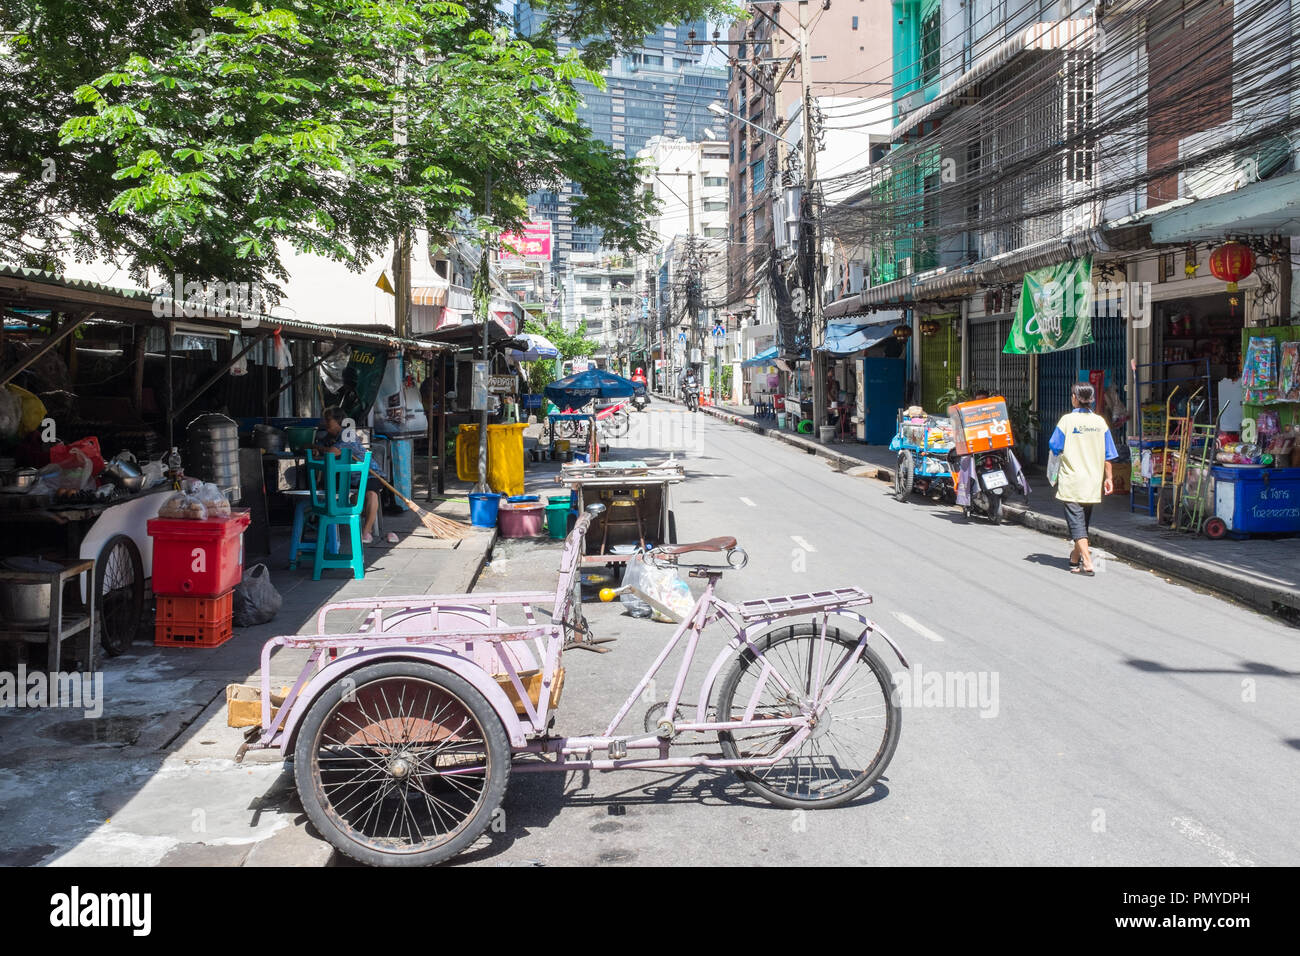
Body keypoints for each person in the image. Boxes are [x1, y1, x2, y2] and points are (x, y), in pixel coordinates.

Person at [1049, 383, 1117, 576]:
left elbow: (1054, 445)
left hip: (1072, 480)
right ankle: (1074, 558)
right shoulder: (1100, 423)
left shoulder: (1067, 421)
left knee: (1077, 524)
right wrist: (1109, 478)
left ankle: (1087, 561)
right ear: (1093, 399)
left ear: (1074, 398)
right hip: (1093, 481)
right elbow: (1109, 454)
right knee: (1082, 522)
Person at [313, 406, 384, 544]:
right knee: (356, 498)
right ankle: (357, 516)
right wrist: (318, 449)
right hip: (350, 477)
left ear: (339, 421)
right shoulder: (331, 436)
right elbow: (325, 448)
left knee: (371, 494)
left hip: (370, 474)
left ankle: (366, 532)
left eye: (329, 420)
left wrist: (315, 448)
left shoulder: (348, 435)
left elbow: (332, 452)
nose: (325, 423)